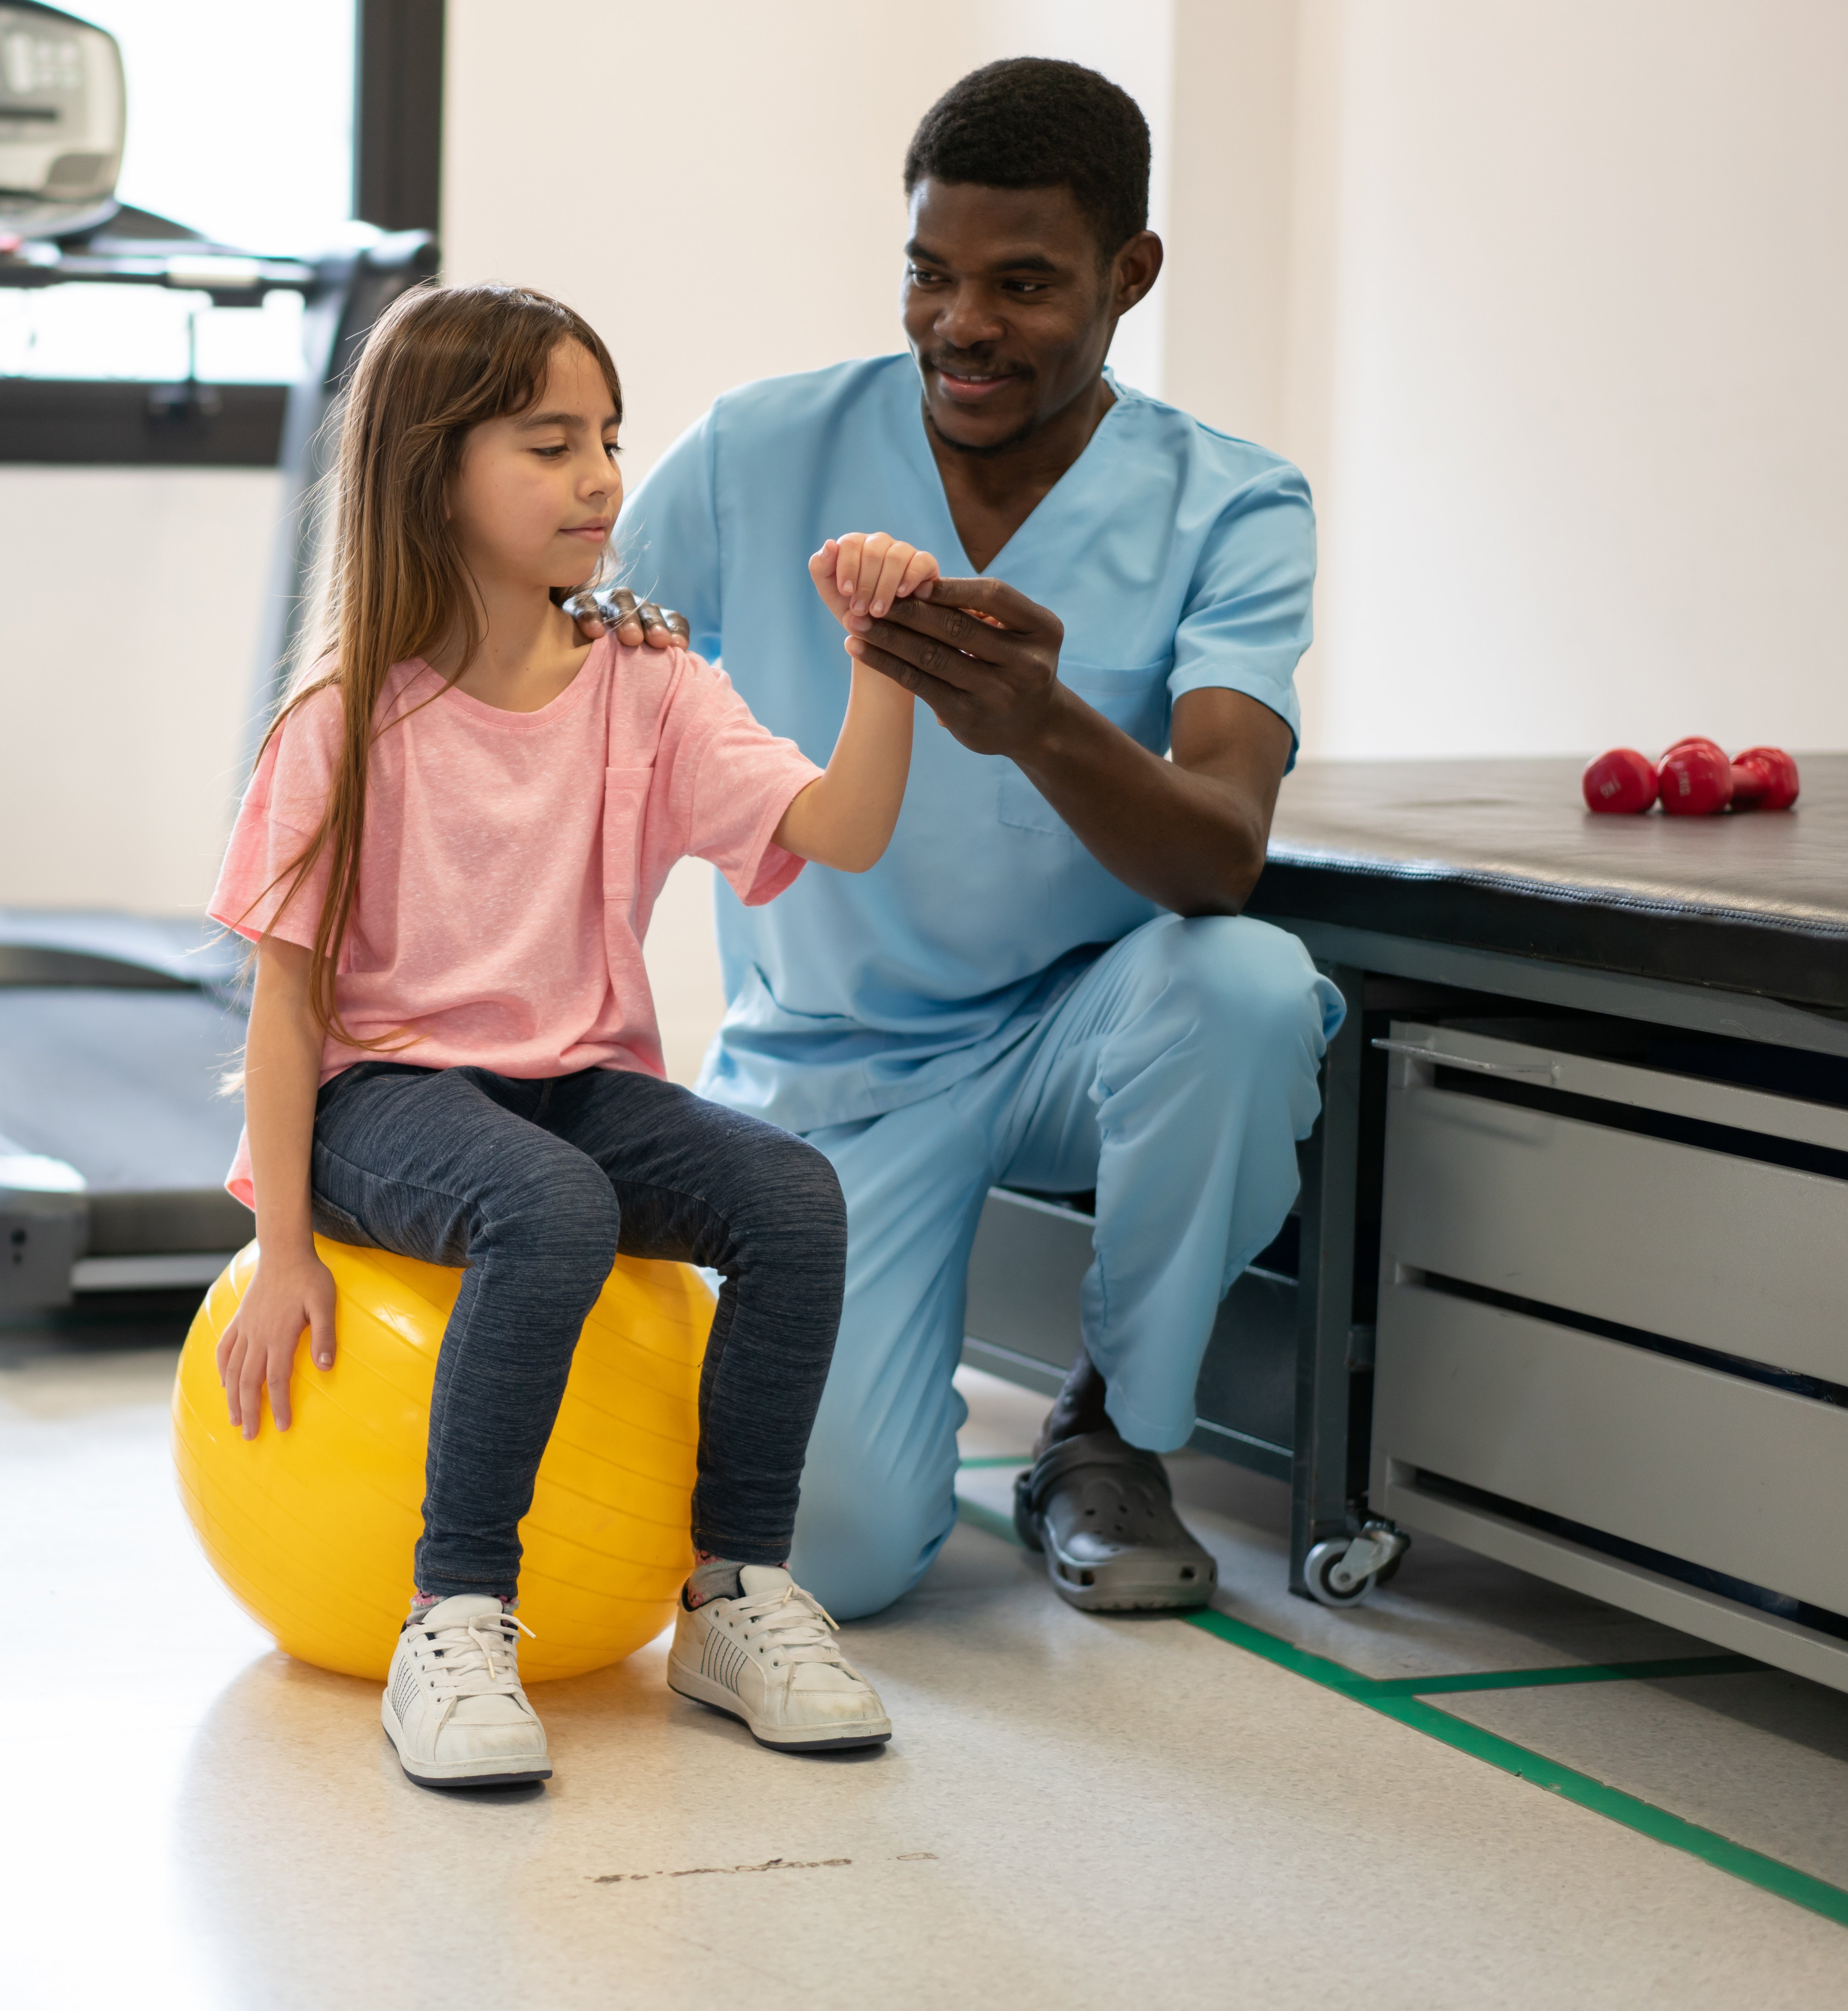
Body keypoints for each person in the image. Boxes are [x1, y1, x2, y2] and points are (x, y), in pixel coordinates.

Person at [616, 57, 1346, 1618]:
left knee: (1246, 987)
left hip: (1074, 1039)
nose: (962, 324)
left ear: (1128, 275)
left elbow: (1218, 852)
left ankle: (1108, 1434)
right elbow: (555, 684)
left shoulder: (1231, 505)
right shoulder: (755, 453)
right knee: (836, 1561)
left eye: (1022, 284)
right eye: (930, 275)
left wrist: (1042, 719)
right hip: (835, 1069)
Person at [209, 281, 930, 1789]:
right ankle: (455, 1615)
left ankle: (734, 1591)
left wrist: (882, 662)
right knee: (549, 1208)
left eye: (606, 436)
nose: (602, 477)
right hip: (380, 1096)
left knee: (790, 1196)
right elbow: (285, 1006)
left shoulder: (648, 680)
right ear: (433, 470)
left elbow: (842, 830)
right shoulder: (341, 720)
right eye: (549, 444)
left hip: (573, 1082)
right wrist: (282, 1249)